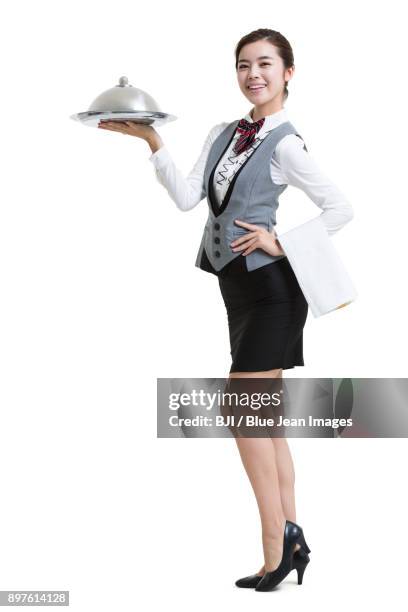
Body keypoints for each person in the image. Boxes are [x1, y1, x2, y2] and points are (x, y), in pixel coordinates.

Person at [98, 28, 353, 591]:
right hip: (236, 291)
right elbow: (191, 199)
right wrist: (152, 143)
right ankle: (294, 537)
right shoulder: (222, 133)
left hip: (274, 293)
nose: (253, 74)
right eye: (243, 65)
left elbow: (340, 208)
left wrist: (279, 242)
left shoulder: (286, 141)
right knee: (264, 421)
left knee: (244, 416)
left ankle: (273, 550)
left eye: (265, 64)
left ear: (288, 72)